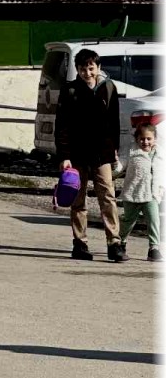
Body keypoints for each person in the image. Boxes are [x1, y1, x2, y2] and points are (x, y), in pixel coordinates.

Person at [55, 48, 122, 262]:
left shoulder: (109, 88)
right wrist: (64, 155)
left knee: (108, 197)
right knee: (78, 198)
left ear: (98, 67)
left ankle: (114, 243)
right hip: (77, 154)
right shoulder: (70, 90)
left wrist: (114, 151)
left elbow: (114, 123)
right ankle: (80, 242)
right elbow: (62, 125)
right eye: (83, 68)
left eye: (91, 67)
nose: (87, 72)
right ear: (78, 70)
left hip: (102, 153)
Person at [119, 124, 162, 262]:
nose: (146, 142)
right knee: (128, 221)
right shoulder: (131, 151)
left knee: (154, 220)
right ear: (137, 139)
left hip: (152, 194)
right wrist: (115, 164)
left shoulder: (160, 154)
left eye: (149, 138)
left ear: (155, 139)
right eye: (142, 139)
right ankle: (121, 242)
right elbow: (121, 165)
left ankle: (154, 248)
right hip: (133, 193)